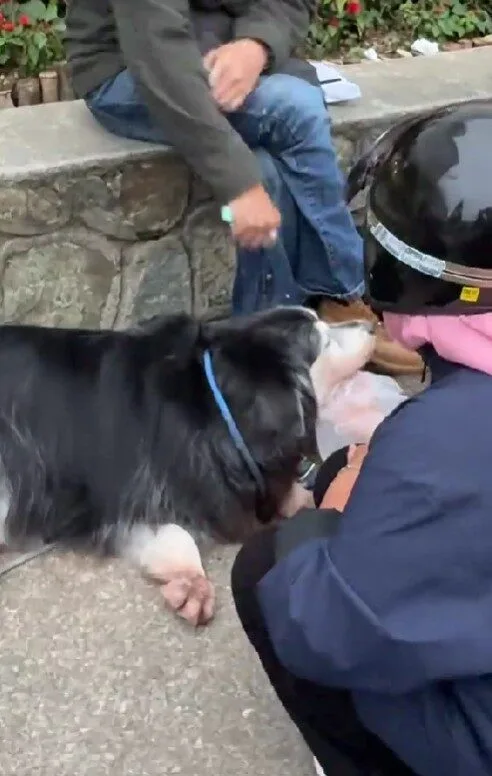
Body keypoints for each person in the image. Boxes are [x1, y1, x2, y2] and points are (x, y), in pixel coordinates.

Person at [231, 100, 492, 776]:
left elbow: (327, 633)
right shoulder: (441, 438)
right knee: (347, 460)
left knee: (274, 566)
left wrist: (340, 518)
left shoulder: (444, 444)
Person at [64, 0, 421, 375]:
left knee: (268, 165)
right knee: (295, 108)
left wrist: (257, 46)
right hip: (131, 69)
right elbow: (158, 52)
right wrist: (239, 187)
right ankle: (344, 292)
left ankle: (262, 346)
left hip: (224, 52)